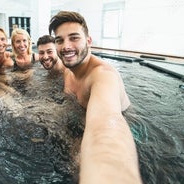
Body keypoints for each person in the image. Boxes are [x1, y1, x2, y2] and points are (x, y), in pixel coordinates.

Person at [49, 11, 142, 184]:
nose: (66, 46)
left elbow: (106, 123)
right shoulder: (69, 69)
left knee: (77, 164)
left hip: (129, 130)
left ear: (89, 41)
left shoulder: (103, 76)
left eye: (74, 38)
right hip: (81, 121)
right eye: (59, 40)